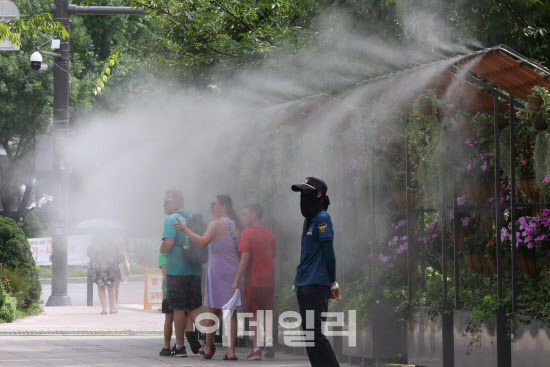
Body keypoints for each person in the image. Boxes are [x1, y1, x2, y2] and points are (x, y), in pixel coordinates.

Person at [174, 194, 246, 360]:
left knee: (214, 310)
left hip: (217, 271)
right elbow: (240, 251)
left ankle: (207, 348)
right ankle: (231, 351)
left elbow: (202, 242)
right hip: (233, 270)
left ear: (223, 207)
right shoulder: (236, 225)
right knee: (231, 312)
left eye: (214, 204)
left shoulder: (215, 224)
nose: (211, 207)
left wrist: (185, 230)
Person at [291, 177, 342, 367]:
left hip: (316, 284)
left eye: (306, 192)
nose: (303, 196)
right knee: (309, 335)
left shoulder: (322, 218)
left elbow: (330, 254)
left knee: (315, 334)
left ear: (319, 194)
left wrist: (333, 282)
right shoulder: (309, 220)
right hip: (304, 283)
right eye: (301, 193)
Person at [160, 189, 203, 357]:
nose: (164, 204)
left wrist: (162, 248)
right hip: (195, 269)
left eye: (167, 201)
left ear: (178, 202)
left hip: (177, 271)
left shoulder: (171, 219)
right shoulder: (193, 218)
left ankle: (179, 347)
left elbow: (168, 244)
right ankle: (208, 336)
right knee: (194, 306)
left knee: (178, 308)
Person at [232, 203, 277, 360]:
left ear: (254, 215)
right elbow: (272, 257)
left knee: (254, 315)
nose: (243, 217)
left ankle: (256, 349)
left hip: (253, 281)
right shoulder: (270, 235)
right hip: (269, 281)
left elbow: (245, 259)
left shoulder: (247, 234)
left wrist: (236, 280)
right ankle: (269, 343)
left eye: (245, 214)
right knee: (268, 313)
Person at [158, 250, 201, 357]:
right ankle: (188, 336)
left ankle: (167, 347)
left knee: (169, 318)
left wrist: (168, 285)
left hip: (171, 288)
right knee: (185, 312)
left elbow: (164, 267)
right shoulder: (181, 248)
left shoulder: (165, 250)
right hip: (184, 283)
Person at [88, 234, 126, 315]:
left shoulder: (95, 240)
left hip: (98, 267)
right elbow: (120, 255)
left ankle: (104, 309)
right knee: (111, 287)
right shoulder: (113, 240)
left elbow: (89, 253)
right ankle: (112, 308)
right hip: (111, 267)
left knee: (101, 288)